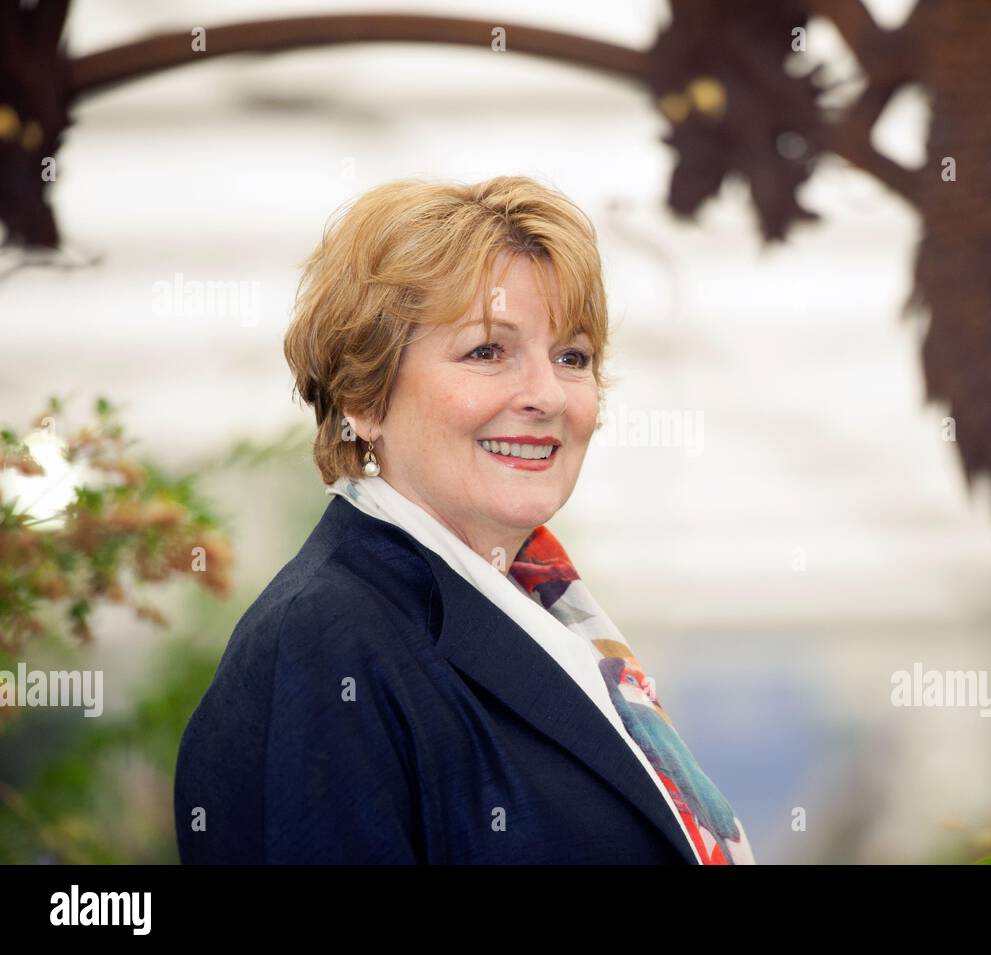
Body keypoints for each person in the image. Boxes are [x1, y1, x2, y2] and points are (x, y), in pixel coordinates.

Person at [173, 175, 756, 864]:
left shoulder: (545, 609)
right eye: (487, 351)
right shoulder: (327, 640)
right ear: (364, 394)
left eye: (571, 356)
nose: (544, 394)